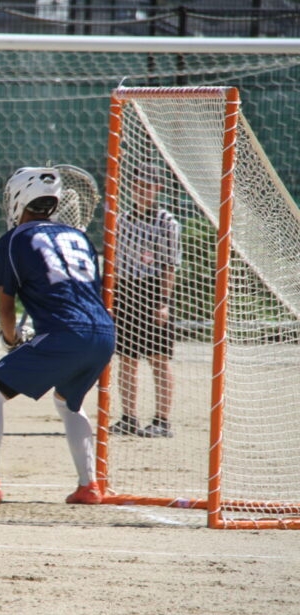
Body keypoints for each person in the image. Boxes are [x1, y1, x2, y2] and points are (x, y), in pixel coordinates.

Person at [0, 166, 115, 506]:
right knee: (68, 402)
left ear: (17, 199)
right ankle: (89, 486)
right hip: (104, 333)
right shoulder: (79, 238)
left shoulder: (14, 240)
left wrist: (10, 340)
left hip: (65, 333)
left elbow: (6, 306)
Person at [109, 164, 182, 438]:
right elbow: (115, 263)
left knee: (158, 359)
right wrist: (112, 298)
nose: (141, 191)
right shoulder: (122, 220)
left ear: (157, 189)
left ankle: (162, 421)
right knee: (127, 358)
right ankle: (128, 418)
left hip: (153, 291)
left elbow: (170, 265)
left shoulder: (167, 222)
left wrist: (163, 301)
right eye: (138, 185)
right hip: (126, 290)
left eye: (147, 186)